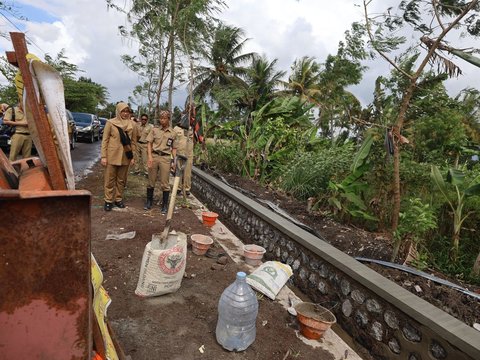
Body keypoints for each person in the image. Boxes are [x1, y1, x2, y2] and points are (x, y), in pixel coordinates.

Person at [101, 102, 137, 211]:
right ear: (118, 111)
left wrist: (133, 157)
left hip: (126, 156)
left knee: (121, 180)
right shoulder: (111, 123)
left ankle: (118, 199)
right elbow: (105, 140)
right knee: (109, 179)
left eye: (127, 111)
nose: (125, 113)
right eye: (123, 111)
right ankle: (108, 200)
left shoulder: (133, 124)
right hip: (112, 155)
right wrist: (104, 156)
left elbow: (134, 142)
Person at [144, 109, 177, 213]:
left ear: (168, 119)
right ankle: (149, 202)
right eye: (161, 118)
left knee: (165, 182)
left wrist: (174, 162)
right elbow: (149, 143)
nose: (162, 120)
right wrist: (149, 157)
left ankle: (164, 205)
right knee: (151, 180)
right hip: (154, 156)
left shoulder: (173, 133)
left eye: (164, 118)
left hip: (165, 158)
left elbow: (174, 149)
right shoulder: (154, 130)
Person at [173, 104, 194, 196]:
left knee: (187, 172)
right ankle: (178, 188)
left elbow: (194, 140)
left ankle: (186, 188)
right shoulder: (176, 128)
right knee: (178, 171)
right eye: (182, 116)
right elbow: (173, 141)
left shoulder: (191, 128)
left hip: (188, 153)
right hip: (179, 152)